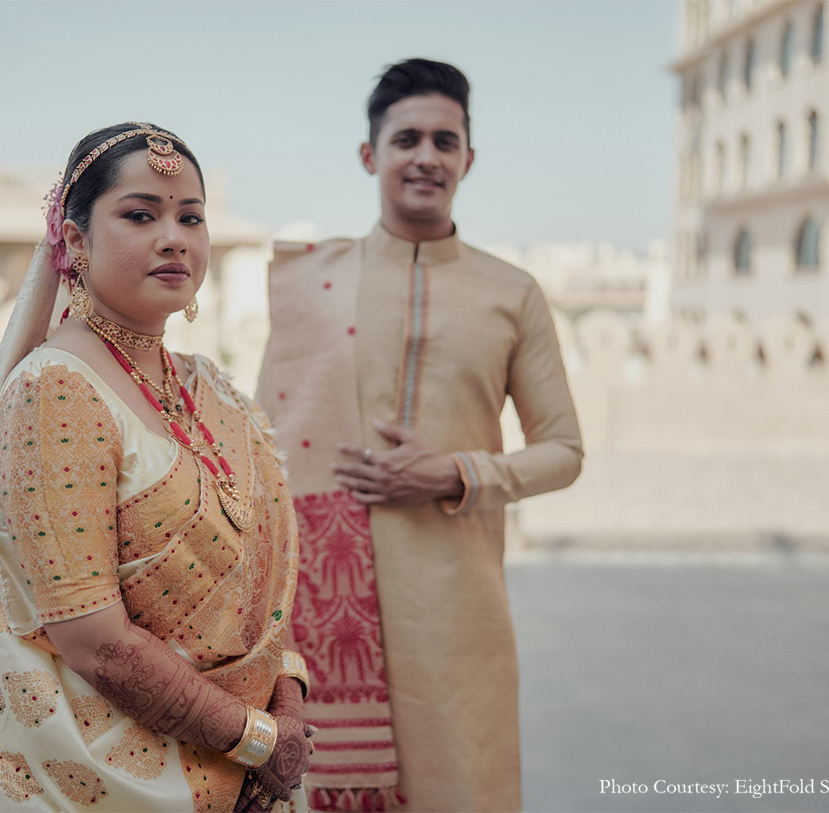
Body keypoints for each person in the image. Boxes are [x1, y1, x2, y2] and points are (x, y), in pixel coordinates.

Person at [256, 60, 584, 812]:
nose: (427, 156)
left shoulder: (512, 293)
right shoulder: (311, 282)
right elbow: (262, 446)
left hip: (455, 605)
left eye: (446, 139)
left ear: (469, 158)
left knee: (458, 786)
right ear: (371, 155)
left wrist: (455, 473)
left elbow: (564, 449)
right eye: (407, 138)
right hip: (322, 602)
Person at [0, 122, 314, 811]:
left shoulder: (207, 384)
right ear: (72, 242)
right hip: (130, 781)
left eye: (191, 216)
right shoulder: (55, 391)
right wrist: (253, 740)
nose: (174, 236)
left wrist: (289, 711)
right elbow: (96, 642)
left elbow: (265, 586)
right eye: (139, 214)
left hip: (257, 762)